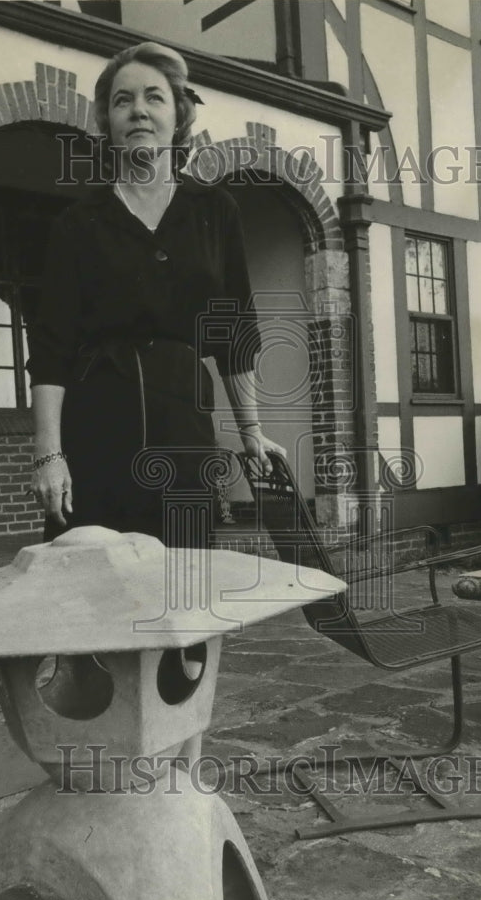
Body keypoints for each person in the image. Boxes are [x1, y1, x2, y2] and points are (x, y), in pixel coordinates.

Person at [25, 41, 286, 546]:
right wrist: (49, 454)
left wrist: (251, 430)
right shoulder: (78, 224)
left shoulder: (214, 211)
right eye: (122, 101)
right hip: (96, 432)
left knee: (185, 587)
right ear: (107, 120)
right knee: (95, 587)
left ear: (177, 113)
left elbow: (233, 335)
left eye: (153, 97)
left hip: (183, 433)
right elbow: (51, 350)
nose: (138, 110)